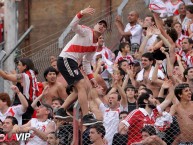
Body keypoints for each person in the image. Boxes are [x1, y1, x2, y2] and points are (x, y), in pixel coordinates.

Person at [57, 6, 107, 125]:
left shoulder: (94, 46)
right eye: (100, 24)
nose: (102, 26)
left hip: (73, 62)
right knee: (81, 86)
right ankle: (85, 116)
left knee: (80, 89)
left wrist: (92, 78)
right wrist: (81, 13)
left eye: (104, 26)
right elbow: (73, 26)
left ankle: (61, 110)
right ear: (95, 25)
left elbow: (86, 62)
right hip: (66, 59)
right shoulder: (86, 31)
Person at [118, 80, 174, 145]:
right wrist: (123, 131)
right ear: (145, 101)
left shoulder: (155, 112)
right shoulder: (137, 112)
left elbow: (168, 100)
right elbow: (122, 125)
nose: (155, 100)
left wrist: (170, 87)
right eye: (152, 98)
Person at [0, 58, 39, 124]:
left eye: (19, 65)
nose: (18, 67)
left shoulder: (24, 76)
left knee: (16, 126)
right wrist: (11, 76)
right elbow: (14, 83)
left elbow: (5, 77)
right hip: (27, 105)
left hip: (23, 105)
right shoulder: (30, 74)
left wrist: (7, 75)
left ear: (25, 66)